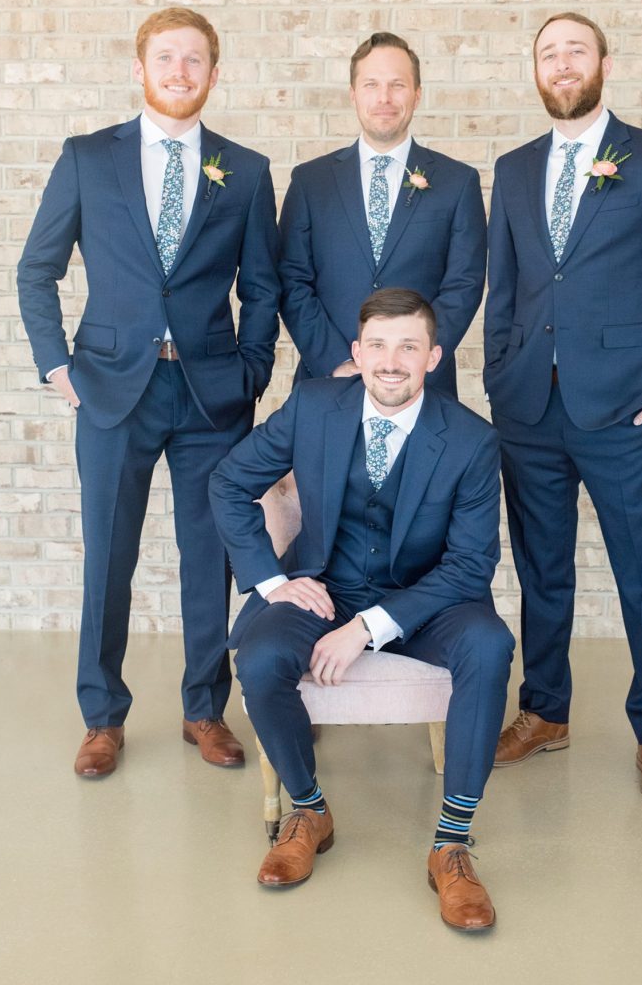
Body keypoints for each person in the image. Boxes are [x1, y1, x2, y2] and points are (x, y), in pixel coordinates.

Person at [17, 7, 280, 778]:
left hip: (210, 394)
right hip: (108, 391)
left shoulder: (247, 169)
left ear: (213, 73)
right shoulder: (88, 157)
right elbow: (38, 269)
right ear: (140, 68)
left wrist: (251, 371)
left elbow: (261, 289)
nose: (179, 71)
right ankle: (102, 715)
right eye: (165, 58)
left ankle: (205, 708)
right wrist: (57, 366)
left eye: (194, 59)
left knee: (212, 557)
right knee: (109, 555)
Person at [209, 289, 513, 931]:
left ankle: (451, 845)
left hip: (429, 600)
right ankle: (310, 809)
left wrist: (367, 629)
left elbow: (468, 566)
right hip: (328, 587)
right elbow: (230, 482)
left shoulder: (472, 441)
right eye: (377, 345)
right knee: (261, 657)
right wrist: (270, 581)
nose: (391, 360)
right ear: (357, 352)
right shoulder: (315, 406)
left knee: (489, 646)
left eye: (408, 346)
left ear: (434, 356)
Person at [484, 12, 642, 801]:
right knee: (540, 572)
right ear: (536, 71)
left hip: (623, 408)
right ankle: (544, 712)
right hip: (527, 410)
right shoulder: (512, 170)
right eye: (548, 54)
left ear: (603, 64)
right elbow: (505, 286)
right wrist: (496, 377)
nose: (561, 64)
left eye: (574, 50)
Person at [278, 31, 486, 398]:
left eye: (398, 85)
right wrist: (337, 362)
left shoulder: (458, 182)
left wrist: (415, 358)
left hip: (424, 386)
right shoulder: (311, 181)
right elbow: (292, 280)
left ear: (417, 94)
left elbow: (464, 284)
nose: (384, 98)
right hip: (329, 381)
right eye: (371, 84)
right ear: (353, 94)